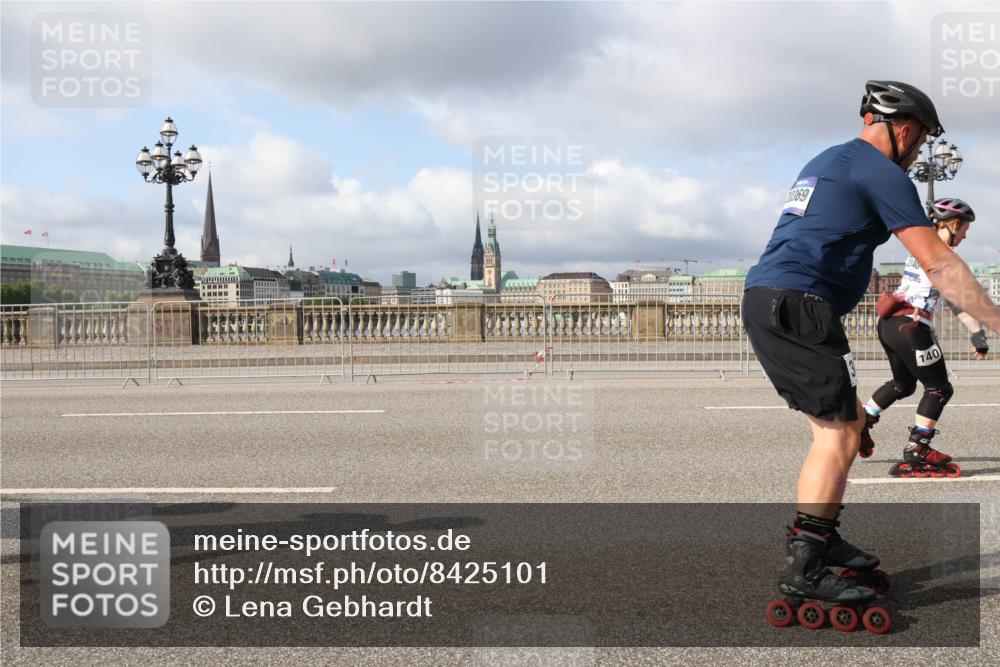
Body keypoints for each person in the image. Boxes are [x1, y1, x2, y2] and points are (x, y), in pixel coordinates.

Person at [744, 80, 1000, 621]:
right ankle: (806, 564)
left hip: (775, 298)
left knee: (846, 426)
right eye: (922, 140)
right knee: (836, 437)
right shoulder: (879, 171)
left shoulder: (826, 160)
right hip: (800, 303)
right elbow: (939, 262)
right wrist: (995, 321)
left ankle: (821, 536)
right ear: (904, 130)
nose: (918, 152)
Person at [859, 198, 988, 477]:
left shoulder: (917, 248)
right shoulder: (945, 257)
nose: (965, 236)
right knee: (939, 389)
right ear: (954, 224)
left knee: (902, 384)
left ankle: (863, 421)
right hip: (912, 327)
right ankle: (918, 447)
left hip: (889, 323)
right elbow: (959, 302)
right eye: (965, 229)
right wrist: (978, 335)